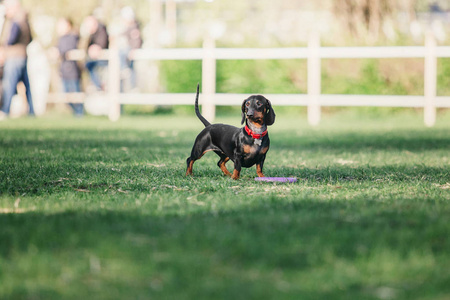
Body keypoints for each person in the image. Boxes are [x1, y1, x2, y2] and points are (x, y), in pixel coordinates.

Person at [0, 0, 33, 119]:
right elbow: (31, 39)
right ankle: (32, 112)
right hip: (23, 55)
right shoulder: (25, 19)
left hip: (13, 56)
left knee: (9, 84)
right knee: (27, 86)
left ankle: (5, 110)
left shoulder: (15, 20)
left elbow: (10, 39)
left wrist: (3, 48)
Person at [56, 18, 83, 116]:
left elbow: (67, 49)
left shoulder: (73, 37)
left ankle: (80, 114)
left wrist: (59, 53)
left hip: (73, 71)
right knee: (66, 96)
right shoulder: (60, 39)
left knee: (76, 95)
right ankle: (76, 113)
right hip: (64, 71)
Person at [118, 6, 142, 92]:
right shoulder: (128, 28)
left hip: (131, 51)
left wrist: (134, 49)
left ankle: (132, 86)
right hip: (129, 51)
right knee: (130, 69)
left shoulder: (134, 28)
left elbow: (137, 40)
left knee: (130, 69)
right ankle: (131, 87)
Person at [84, 15, 109, 91]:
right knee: (88, 65)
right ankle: (98, 85)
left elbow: (102, 44)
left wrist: (96, 48)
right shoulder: (92, 34)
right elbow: (87, 47)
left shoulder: (101, 29)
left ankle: (100, 85)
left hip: (104, 58)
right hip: (97, 59)